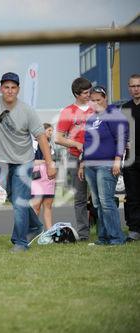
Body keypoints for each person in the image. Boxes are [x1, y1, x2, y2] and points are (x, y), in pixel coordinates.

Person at [0, 56, 56, 252]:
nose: (9, 90)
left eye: (13, 87)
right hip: (1, 162)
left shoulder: (27, 111)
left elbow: (41, 137)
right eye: (6, 87)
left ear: (18, 90)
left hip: (23, 162)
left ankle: (20, 242)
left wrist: (50, 163)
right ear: (1, 89)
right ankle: (35, 226)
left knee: (19, 202)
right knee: (15, 198)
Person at [78, 86, 127, 245]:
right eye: (92, 100)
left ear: (105, 99)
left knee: (106, 202)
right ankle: (104, 237)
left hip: (106, 164)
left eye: (99, 99)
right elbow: (88, 143)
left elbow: (121, 138)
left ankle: (116, 238)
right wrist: (83, 163)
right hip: (91, 165)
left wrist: (118, 159)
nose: (96, 103)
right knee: (97, 203)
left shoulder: (114, 114)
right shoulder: (92, 118)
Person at [55, 77, 94, 241]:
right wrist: (77, 144)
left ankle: (105, 230)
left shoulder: (96, 108)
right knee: (80, 198)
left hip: (97, 157)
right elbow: (58, 138)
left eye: (90, 91)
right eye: (85, 92)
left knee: (100, 197)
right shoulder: (67, 112)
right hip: (75, 157)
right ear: (76, 94)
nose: (89, 94)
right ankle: (84, 234)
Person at [122, 74, 140, 242]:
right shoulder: (125, 108)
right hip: (131, 159)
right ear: (129, 88)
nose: (136, 89)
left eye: (138, 86)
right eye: (133, 86)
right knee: (133, 195)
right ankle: (134, 229)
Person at [31, 123, 56, 230]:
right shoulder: (33, 144)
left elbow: (53, 162)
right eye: (49, 130)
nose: (51, 133)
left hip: (49, 178)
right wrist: (45, 162)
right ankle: (33, 230)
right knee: (36, 207)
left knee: (48, 205)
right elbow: (30, 162)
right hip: (37, 178)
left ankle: (50, 231)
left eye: (52, 131)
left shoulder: (51, 146)